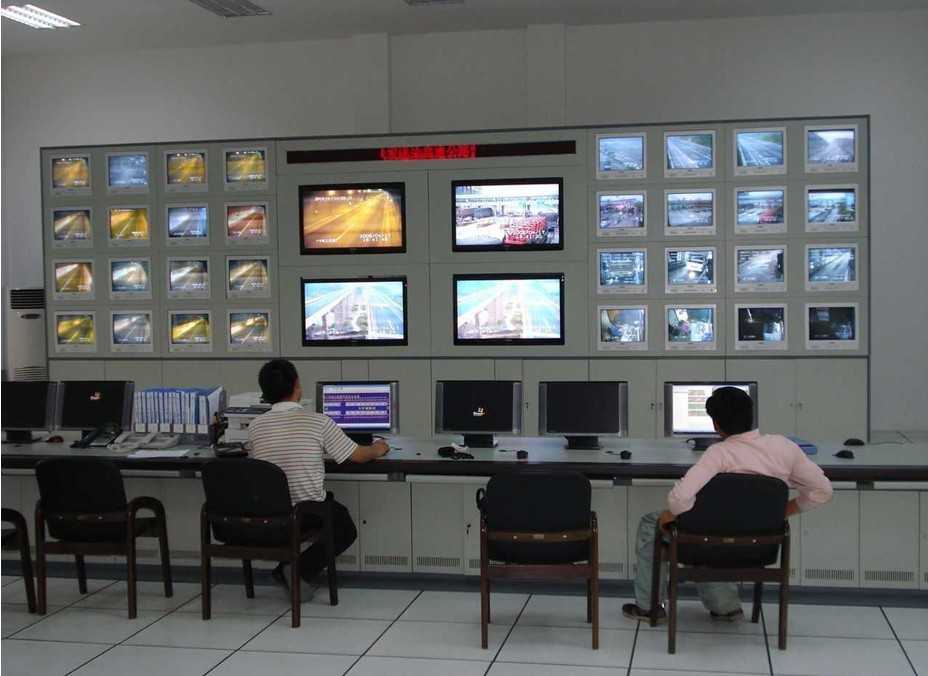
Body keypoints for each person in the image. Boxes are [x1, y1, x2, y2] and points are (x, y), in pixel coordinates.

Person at [623, 386, 833, 623]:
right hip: (761, 545)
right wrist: (779, 513)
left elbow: (679, 500)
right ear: (752, 416)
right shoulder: (784, 448)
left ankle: (649, 607)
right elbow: (823, 490)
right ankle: (726, 607)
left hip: (708, 542)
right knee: (709, 523)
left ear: (716, 425)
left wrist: (672, 515)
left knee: (661, 523)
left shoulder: (718, 454)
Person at [246, 359, 389, 593]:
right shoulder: (318, 422)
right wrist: (378, 448)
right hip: (304, 512)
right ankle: (297, 570)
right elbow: (359, 456)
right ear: (297, 385)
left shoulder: (255, 426)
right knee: (343, 526)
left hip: (269, 513)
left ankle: (288, 569)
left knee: (330, 511)